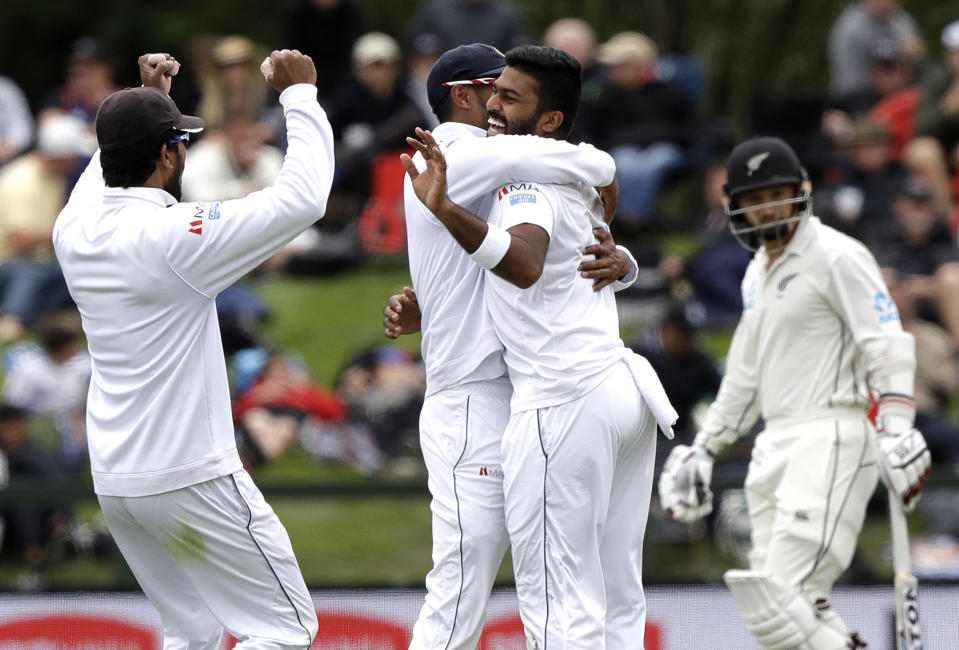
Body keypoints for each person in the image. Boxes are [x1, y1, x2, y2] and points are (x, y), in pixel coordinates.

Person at [52, 50, 331, 648]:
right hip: (191, 479)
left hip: (119, 483)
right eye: (178, 140)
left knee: (193, 634)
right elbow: (305, 201)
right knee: (285, 631)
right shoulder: (177, 237)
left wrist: (144, 97)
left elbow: (111, 160)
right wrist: (300, 97)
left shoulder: (71, 229)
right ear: (166, 156)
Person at [402, 45, 676, 649]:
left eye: (511, 94)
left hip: (553, 395)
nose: (498, 103)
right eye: (493, 90)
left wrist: (622, 259)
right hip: (577, 389)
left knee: (553, 598)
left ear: (547, 118)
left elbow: (530, 258)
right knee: (606, 592)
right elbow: (599, 178)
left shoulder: (516, 168)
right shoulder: (467, 152)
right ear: (463, 95)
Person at [657, 136, 932, 649]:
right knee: (788, 614)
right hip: (774, 444)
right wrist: (705, 445)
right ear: (735, 208)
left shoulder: (837, 256)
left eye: (777, 194)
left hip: (831, 437)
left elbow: (887, 341)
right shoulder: (758, 273)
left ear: (801, 193)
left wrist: (897, 426)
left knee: (784, 601)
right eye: (754, 199)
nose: (767, 208)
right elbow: (744, 372)